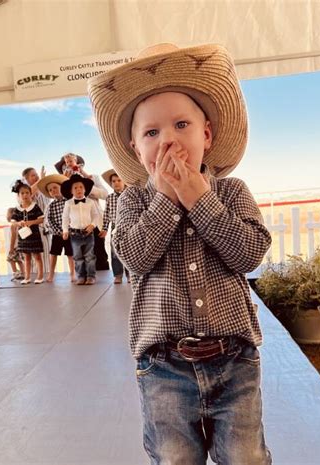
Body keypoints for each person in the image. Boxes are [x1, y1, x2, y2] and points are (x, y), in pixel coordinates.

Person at [88, 43, 272, 464]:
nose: (167, 139)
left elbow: (249, 254)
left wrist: (198, 196)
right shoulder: (132, 201)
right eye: (151, 133)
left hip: (235, 361)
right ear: (137, 150)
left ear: (205, 135)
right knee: (175, 458)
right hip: (163, 366)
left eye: (181, 124)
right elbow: (133, 257)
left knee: (245, 457)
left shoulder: (231, 191)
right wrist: (168, 199)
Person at [55, 153, 110, 270]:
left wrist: (84, 186)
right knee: (80, 258)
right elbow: (63, 205)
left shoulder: (92, 178)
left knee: (100, 256)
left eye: (71, 163)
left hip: (95, 225)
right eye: (65, 166)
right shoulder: (63, 185)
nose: (69, 166)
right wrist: (67, 183)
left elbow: (105, 195)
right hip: (76, 228)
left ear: (78, 164)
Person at [37, 174, 75, 282]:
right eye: (50, 190)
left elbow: (72, 217)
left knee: (70, 254)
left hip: (69, 232)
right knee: (53, 253)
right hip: (57, 234)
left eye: (55, 188)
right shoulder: (51, 205)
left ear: (61, 188)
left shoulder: (69, 202)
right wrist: (58, 231)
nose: (53, 191)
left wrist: (67, 230)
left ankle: (73, 273)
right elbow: (49, 220)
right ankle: (51, 274)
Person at [61, 174, 99, 285]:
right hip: (75, 234)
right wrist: (65, 230)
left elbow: (96, 216)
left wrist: (92, 225)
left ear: (85, 189)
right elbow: (65, 218)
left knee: (90, 256)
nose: (79, 190)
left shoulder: (90, 202)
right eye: (75, 188)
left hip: (88, 233)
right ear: (71, 191)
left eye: (81, 187)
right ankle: (81, 276)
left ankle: (91, 276)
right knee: (77, 257)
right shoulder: (68, 203)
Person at [10, 180, 44, 284]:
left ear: (31, 194)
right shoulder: (17, 208)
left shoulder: (35, 206)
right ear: (19, 195)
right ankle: (27, 277)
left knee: (37, 256)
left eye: (27, 193)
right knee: (26, 257)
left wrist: (32, 222)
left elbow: (41, 219)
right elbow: (13, 221)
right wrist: (19, 223)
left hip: (34, 235)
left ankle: (40, 276)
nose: (25, 195)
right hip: (23, 236)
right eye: (22, 193)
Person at [100, 170, 129, 284]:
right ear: (111, 184)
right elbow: (106, 214)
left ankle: (130, 274)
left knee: (128, 250)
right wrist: (105, 228)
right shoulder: (110, 197)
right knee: (114, 252)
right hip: (115, 227)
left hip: (128, 225)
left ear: (124, 182)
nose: (116, 183)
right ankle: (118, 275)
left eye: (119, 180)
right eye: (113, 181)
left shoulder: (129, 195)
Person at [22, 166, 51, 274]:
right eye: (33, 175)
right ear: (27, 179)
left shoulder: (43, 191)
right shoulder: (25, 193)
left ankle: (48, 278)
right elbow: (29, 193)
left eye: (36, 174)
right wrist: (41, 180)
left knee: (47, 255)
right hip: (34, 229)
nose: (37, 176)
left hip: (46, 228)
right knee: (37, 258)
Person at [6, 206, 25, 282]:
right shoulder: (18, 225)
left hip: (14, 246)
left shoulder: (13, 225)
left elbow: (13, 237)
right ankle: (23, 273)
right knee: (19, 260)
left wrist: (11, 248)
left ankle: (16, 274)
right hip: (19, 245)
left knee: (11, 260)